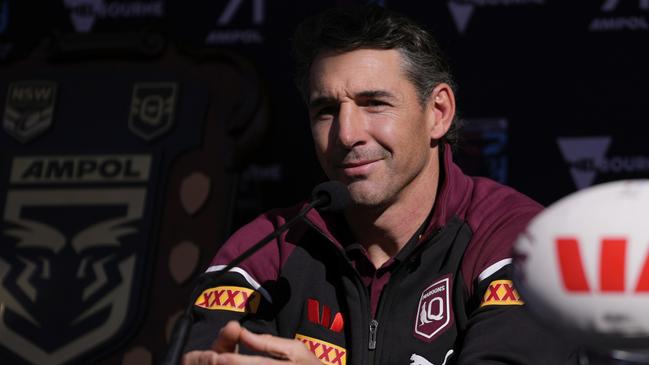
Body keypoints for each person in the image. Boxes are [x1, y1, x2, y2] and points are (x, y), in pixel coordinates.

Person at [183, 5, 576, 365]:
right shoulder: (265, 249)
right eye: (326, 110)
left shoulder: (514, 237)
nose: (347, 134)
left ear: (437, 113)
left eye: (374, 103)